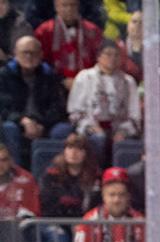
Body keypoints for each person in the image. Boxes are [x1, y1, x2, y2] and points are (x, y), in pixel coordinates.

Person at [0, 34, 69, 168]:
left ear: (41, 54)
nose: (29, 56)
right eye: (25, 52)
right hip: (17, 123)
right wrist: (23, 121)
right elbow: (3, 107)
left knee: (63, 129)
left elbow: (58, 107)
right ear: (16, 54)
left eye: (34, 53)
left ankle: (52, 174)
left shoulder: (50, 76)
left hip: (44, 123)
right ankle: (15, 173)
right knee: (8, 128)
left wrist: (41, 124)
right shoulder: (4, 76)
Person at [64, 35, 134, 164]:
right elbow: (74, 111)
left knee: (123, 141)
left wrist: (123, 130)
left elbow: (134, 115)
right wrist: (89, 126)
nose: (112, 58)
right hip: (91, 128)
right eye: (108, 54)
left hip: (118, 128)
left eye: (116, 55)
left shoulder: (128, 81)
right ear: (99, 57)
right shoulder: (84, 77)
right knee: (98, 138)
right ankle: (96, 173)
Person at [35, 0, 98, 89]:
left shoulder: (92, 30)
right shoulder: (45, 31)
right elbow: (41, 62)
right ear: (56, 7)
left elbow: (98, 58)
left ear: (78, 6)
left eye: (73, 5)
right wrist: (61, 80)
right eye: (65, 5)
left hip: (88, 83)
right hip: (54, 84)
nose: (69, 9)